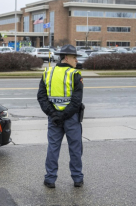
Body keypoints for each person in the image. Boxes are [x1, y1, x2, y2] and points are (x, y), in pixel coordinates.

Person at [37, 44, 85, 188]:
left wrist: (53, 114)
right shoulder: (75, 74)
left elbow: (41, 97)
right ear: (66, 57)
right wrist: (64, 115)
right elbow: (77, 101)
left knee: (53, 148)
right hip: (71, 118)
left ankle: (50, 179)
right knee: (75, 148)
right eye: (74, 57)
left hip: (54, 119)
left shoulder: (47, 72)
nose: (76, 60)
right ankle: (77, 179)